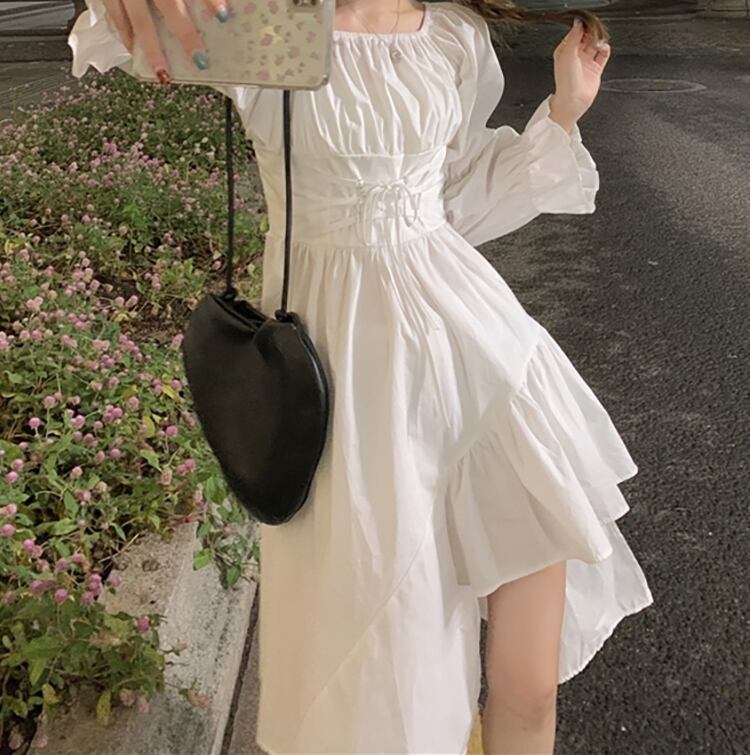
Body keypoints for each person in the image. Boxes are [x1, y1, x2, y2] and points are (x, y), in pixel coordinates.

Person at [68, 1, 654, 753]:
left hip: (485, 367)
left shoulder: (453, 35)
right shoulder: (269, 26)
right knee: (391, 702)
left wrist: (565, 110)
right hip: (349, 394)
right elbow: (116, 30)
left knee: (530, 686)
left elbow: (452, 199)